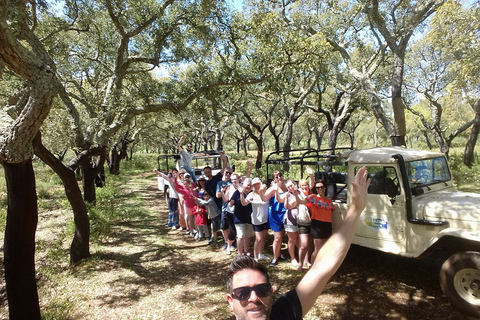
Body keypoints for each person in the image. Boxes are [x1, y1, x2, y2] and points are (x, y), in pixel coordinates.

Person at [226, 166, 371, 320]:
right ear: (230, 301)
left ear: (271, 292)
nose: (254, 298)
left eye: (262, 289)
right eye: (242, 293)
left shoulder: (285, 313)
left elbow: (322, 267)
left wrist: (356, 208)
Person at [294, 178, 335, 265]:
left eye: (322, 187)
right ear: (315, 189)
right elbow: (300, 201)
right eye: (317, 188)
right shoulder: (313, 198)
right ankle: (313, 267)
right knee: (317, 249)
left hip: (327, 225)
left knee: (324, 248)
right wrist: (294, 192)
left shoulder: (329, 200)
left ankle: (321, 266)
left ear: (325, 188)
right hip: (317, 225)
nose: (320, 189)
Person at [240, 177, 270, 262]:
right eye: (255, 184)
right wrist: (241, 194)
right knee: (259, 238)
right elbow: (244, 203)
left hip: (266, 218)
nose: (257, 186)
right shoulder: (251, 194)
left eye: (258, 184)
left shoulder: (266, 193)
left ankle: (260, 254)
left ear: (261, 183)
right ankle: (255, 257)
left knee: (263, 237)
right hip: (257, 220)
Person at [265, 171, 287, 267]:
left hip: (285, 213)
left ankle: (278, 254)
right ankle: (275, 258)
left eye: (280, 176)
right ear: (273, 179)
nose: (278, 178)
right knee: (277, 237)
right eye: (276, 177)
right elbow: (264, 197)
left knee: (282, 235)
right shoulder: (272, 189)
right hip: (275, 214)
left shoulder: (286, 186)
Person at [230, 178, 254, 256]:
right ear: (243, 185)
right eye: (247, 185)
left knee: (247, 235)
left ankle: (246, 250)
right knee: (240, 236)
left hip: (249, 218)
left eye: (250, 185)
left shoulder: (252, 193)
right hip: (239, 218)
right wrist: (231, 203)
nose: (248, 187)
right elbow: (231, 201)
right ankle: (240, 254)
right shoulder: (237, 193)